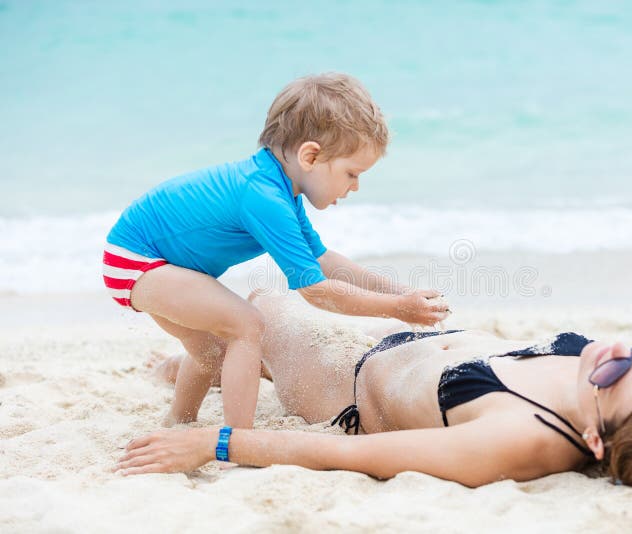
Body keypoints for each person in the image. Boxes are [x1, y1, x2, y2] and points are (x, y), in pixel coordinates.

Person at [117, 293, 632, 487]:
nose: (618, 354)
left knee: (256, 306)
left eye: (615, 373)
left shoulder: (515, 439)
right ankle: (190, 366)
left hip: (345, 377)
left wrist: (217, 440)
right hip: (426, 348)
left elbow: (349, 458)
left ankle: (190, 369)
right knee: (238, 337)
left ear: (597, 437)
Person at [102, 73, 449, 430]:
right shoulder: (264, 196)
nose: (356, 186)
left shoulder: (282, 189)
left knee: (209, 351)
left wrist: (401, 292)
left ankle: (179, 422)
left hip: (145, 260)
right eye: (351, 173)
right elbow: (315, 291)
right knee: (246, 325)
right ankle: (239, 438)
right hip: (136, 261)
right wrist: (396, 309)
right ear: (310, 156)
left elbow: (323, 260)